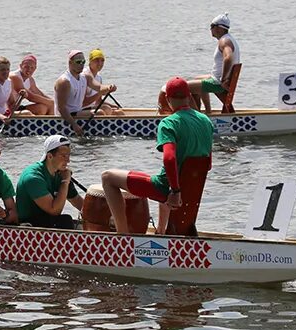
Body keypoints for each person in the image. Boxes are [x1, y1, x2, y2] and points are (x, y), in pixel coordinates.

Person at [101, 77, 214, 234]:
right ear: (189, 97)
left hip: (166, 188)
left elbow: (169, 158)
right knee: (169, 175)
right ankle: (161, 231)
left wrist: (174, 191)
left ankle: (122, 236)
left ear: (167, 99)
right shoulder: (206, 121)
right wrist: (180, 188)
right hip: (193, 188)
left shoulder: (169, 123)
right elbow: (208, 164)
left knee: (108, 177)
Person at [15, 135, 84, 229]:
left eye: (68, 156)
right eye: (63, 156)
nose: (68, 161)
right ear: (50, 156)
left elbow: (80, 204)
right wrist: (64, 182)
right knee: (65, 221)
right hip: (27, 226)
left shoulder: (60, 174)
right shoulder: (33, 177)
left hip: (47, 221)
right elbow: (55, 211)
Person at [187, 12, 241, 114]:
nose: (210, 29)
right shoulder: (229, 39)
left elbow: (228, 57)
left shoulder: (224, 41)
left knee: (183, 87)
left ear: (219, 28)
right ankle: (207, 112)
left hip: (217, 83)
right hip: (217, 79)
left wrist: (224, 79)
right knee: (196, 79)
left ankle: (196, 119)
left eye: (212, 26)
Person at [54, 50, 115, 136]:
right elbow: (61, 108)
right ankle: (106, 133)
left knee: (106, 109)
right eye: (78, 62)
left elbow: (99, 87)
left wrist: (109, 87)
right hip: (65, 118)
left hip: (78, 112)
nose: (81, 65)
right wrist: (74, 125)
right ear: (70, 63)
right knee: (99, 113)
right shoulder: (64, 82)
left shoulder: (85, 76)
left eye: (83, 62)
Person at [83, 48, 122, 115]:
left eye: (102, 60)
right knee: (105, 109)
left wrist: (112, 106)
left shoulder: (99, 77)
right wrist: (100, 93)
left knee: (118, 112)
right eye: (96, 60)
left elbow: (98, 101)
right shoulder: (84, 76)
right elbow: (83, 103)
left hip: (91, 107)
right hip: (81, 109)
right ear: (90, 61)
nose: (100, 63)